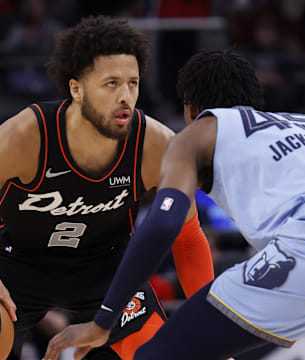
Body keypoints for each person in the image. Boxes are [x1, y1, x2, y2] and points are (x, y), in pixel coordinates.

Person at [43, 49, 305, 360]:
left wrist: (104, 321)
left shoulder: (200, 132)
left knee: (155, 355)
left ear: (191, 109)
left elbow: (164, 224)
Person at [0, 15, 214, 360]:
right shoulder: (27, 135)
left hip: (105, 269)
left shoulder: (156, 145)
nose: (126, 96)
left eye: (133, 82)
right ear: (76, 89)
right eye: (111, 84)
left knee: (161, 353)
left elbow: (188, 237)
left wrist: (210, 323)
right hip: (15, 262)